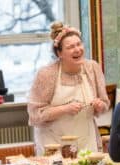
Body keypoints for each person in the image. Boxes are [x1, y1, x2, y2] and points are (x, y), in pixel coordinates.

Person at [27, 21, 110, 155]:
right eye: (70, 47)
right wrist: (65, 109)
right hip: (53, 144)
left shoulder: (92, 68)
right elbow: (35, 115)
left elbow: (105, 104)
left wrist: (100, 105)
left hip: (86, 141)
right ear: (59, 53)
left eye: (79, 44)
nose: (77, 49)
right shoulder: (46, 74)